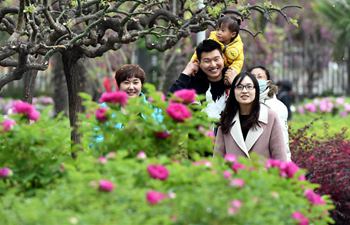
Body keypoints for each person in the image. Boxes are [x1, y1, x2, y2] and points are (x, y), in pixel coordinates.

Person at [214, 72, 287, 161]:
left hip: (262, 174)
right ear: (233, 91)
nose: (244, 91)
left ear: (256, 91)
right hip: (233, 174)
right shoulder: (226, 118)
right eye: (239, 87)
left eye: (249, 87)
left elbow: (280, 157)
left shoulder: (270, 117)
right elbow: (217, 159)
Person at [169, 39, 229, 119]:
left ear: (223, 58)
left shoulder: (232, 79)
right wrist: (186, 72)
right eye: (207, 61)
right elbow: (170, 101)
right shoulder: (193, 83)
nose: (213, 65)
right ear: (199, 62)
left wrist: (235, 83)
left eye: (216, 59)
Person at [249, 65, 291, 161]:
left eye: (260, 77)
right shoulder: (241, 103)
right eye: (252, 77)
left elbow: (282, 140)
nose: (256, 80)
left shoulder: (277, 107)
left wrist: (285, 164)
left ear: (268, 81)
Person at [191, 16, 244, 85]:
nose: (218, 32)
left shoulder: (238, 46)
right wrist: (193, 62)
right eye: (217, 29)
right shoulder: (212, 40)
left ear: (233, 34)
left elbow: (239, 60)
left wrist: (233, 69)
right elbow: (198, 53)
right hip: (210, 72)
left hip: (226, 72)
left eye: (222, 30)